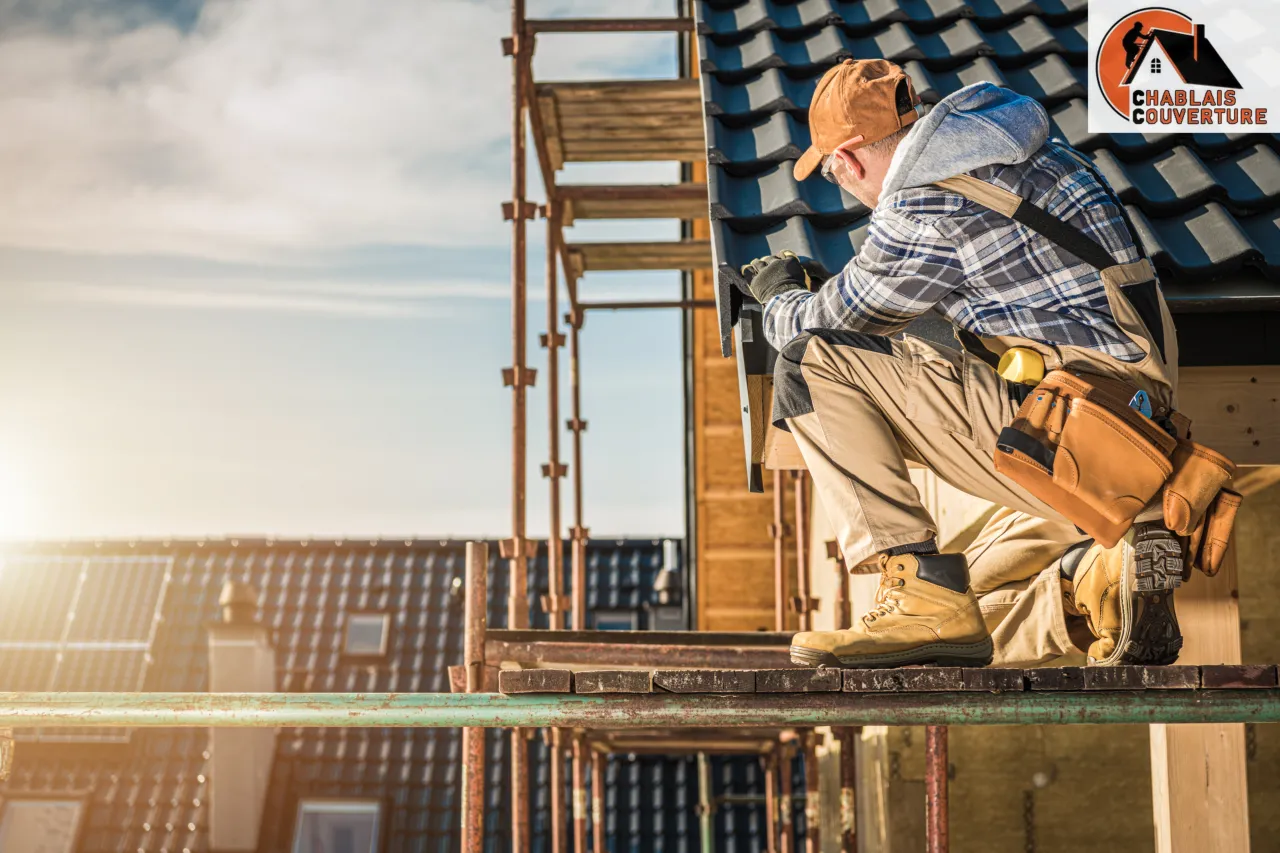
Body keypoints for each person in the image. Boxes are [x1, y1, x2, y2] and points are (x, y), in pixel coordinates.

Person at [739, 59, 1184, 669]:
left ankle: (917, 587)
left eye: (837, 175)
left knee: (808, 362)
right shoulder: (1041, 156)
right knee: (967, 605)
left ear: (844, 158)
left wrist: (778, 297)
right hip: (1135, 429)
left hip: (1067, 429)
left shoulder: (926, 200)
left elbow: (835, 320)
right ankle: (1093, 585)